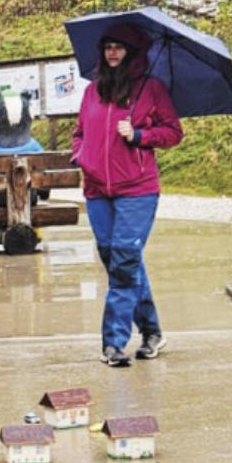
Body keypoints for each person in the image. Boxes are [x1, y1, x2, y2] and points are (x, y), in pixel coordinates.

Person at [70, 24, 182, 368]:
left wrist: (137, 135)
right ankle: (152, 331)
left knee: (124, 260)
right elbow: (79, 133)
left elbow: (173, 132)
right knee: (119, 259)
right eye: (108, 47)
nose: (112, 53)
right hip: (97, 190)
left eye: (119, 47)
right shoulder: (93, 91)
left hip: (137, 189)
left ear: (133, 52)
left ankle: (114, 343)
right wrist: (82, 156)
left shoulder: (151, 89)